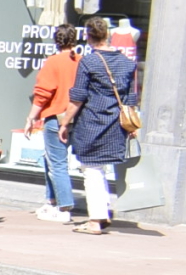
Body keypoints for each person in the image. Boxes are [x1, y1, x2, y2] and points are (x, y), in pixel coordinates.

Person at [65, 16, 140, 235]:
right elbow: (131, 97)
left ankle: (95, 220)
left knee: (91, 168)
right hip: (117, 123)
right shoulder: (127, 63)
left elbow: (78, 97)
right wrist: (132, 124)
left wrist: (65, 122)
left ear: (88, 36)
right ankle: (104, 211)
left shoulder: (89, 61)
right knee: (102, 168)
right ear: (107, 34)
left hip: (92, 122)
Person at [25, 24, 82, 221]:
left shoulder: (53, 62)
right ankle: (51, 201)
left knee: (56, 162)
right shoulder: (80, 61)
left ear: (56, 40)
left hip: (56, 116)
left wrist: (31, 116)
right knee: (51, 159)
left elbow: (43, 92)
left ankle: (64, 208)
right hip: (77, 117)